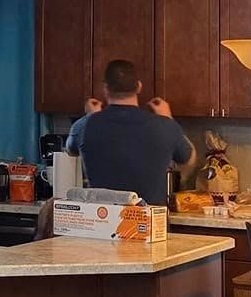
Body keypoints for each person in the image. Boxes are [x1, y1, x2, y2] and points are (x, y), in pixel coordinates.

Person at [64, 59, 194, 202]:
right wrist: (168, 118)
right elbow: (189, 159)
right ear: (138, 87)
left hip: (102, 219)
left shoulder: (84, 125)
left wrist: (91, 116)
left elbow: (70, 150)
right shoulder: (165, 125)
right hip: (150, 221)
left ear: (106, 89)